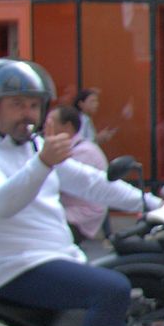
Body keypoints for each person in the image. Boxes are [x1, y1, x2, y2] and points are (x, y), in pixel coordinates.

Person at [0, 59, 160, 326]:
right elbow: (4, 204)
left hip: (56, 257)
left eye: (34, 105)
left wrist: (160, 205)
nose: (28, 114)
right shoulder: (37, 156)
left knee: (123, 289)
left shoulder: (35, 149)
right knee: (111, 291)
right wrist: (42, 163)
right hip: (15, 266)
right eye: (17, 104)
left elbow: (94, 183)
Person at [46, 104, 109, 244]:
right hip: (70, 212)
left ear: (67, 127)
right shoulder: (74, 148)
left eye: (50, 122)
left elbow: (55, 184)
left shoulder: (83, 152)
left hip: (80, 216)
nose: (45, 127)